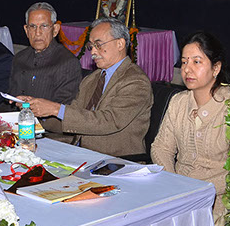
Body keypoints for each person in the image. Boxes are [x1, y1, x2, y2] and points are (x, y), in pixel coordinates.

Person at [21, 17, 152, 156]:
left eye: (98, 45)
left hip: (115, 159)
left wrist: (55, 109)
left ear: (120, 44)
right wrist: (37, 112)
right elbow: (76, 116)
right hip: (79, 151)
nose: (93, 52)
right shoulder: (92, 79)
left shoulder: (135, 81)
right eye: (91, 46)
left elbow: (109, 121)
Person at [151, 31, 230, 226]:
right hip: (179, 194)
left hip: (219, 201)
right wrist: (174, 183)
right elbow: (161, 148)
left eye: (197, 62)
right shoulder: (179, 102)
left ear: (216, 68)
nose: (187, 69)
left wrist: (198, 190)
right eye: (184, 62)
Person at [8, 2, 81, 104]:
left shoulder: (67, 63)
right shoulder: (19, 58)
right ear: (26, 30)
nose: (37, 33)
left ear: (55, 30)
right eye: (32, 26)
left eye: (44, 26)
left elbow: (63, 108)